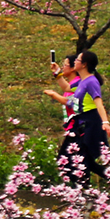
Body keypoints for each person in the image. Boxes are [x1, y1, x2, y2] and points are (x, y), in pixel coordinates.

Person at [64, 50, 110, 185]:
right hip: (82, 120)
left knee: (82, 157)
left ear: (84, 64)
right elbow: (67, 88)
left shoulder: (91, 82)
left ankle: (83, 188)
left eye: (78, 60)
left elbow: (99, 103)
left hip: (91, 122)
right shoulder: (82, 81)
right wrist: (57, 73)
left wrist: (105, 122)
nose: (75, 61)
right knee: (81, 157)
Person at [41, 54, 81, 182]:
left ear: (74, 68)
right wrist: (57, 72)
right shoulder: (73, 83)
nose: (63, 67)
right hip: (73, 127)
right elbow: (65, 87)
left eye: (65, 65)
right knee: (78, 161)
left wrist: (54, 95)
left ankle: (78, 190)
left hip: (79, 127)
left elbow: (73, 102)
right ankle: (80, 188)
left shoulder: (80, 83)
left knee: (67, 160)